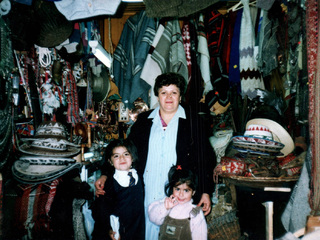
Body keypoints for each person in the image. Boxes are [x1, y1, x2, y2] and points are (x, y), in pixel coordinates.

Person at [95, 72, 216, 239]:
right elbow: (124, 151)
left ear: (180, 96)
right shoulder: (144, 121)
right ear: (157, 95)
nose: (168, 97)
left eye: (174, 92)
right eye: (164, 92)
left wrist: (205, 191)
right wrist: (105, 173)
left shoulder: (193, 122)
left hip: (177, 197)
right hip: (145, 194)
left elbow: (205, 159)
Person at [91, 139, 145, 240]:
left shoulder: (139, 177)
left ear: (132, 157)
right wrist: (110, 229)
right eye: (116, 156)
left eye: (126, 154)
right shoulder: (110, 183)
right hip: (119, 232)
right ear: (110, 162)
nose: (122, 158)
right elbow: (101, 211)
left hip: (137, 228)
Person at [148, 165, 207, 240]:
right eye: (178, 189)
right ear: (172, 188)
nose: (181, 194)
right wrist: (165, 207)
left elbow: (200, 236)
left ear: (193, 192)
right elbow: (153, 218)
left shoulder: (195, 212)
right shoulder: (166, 202)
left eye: (186, 190)